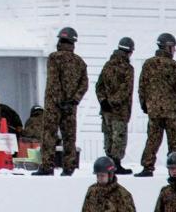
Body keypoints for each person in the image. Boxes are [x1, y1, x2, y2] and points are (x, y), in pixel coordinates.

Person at [136, 32, 176, 177]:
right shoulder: (173, 66)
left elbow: (142, 86)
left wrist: (144, 104)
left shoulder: (148, 64)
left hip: (154, 110)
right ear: (168, 47)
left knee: (152, 140)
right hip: (172, 112)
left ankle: (147, 167)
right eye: (173, 47)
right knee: (175, 144)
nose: (174, 50)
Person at [38, 26, 88, 176]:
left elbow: (53, 82)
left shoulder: (54, 58)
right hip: (71, 107)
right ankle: (69, 168)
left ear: (60, 40)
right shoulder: (80, 62)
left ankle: (47, 167)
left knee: (49, 135)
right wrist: (73, 100)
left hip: (54, 105)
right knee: (69, 137)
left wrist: (59, 101)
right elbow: (84, 84)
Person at [96, 37, 136, 174]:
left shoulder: (108, 65)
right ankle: (116, 164)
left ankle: (108, 163)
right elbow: (126, 90)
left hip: (106, 110)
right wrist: (114, 103)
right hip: (120, 111)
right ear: (130, 52)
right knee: (119, 137)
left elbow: (99, 86)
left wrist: (104, 101)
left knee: (108, 135)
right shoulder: (128, 69)